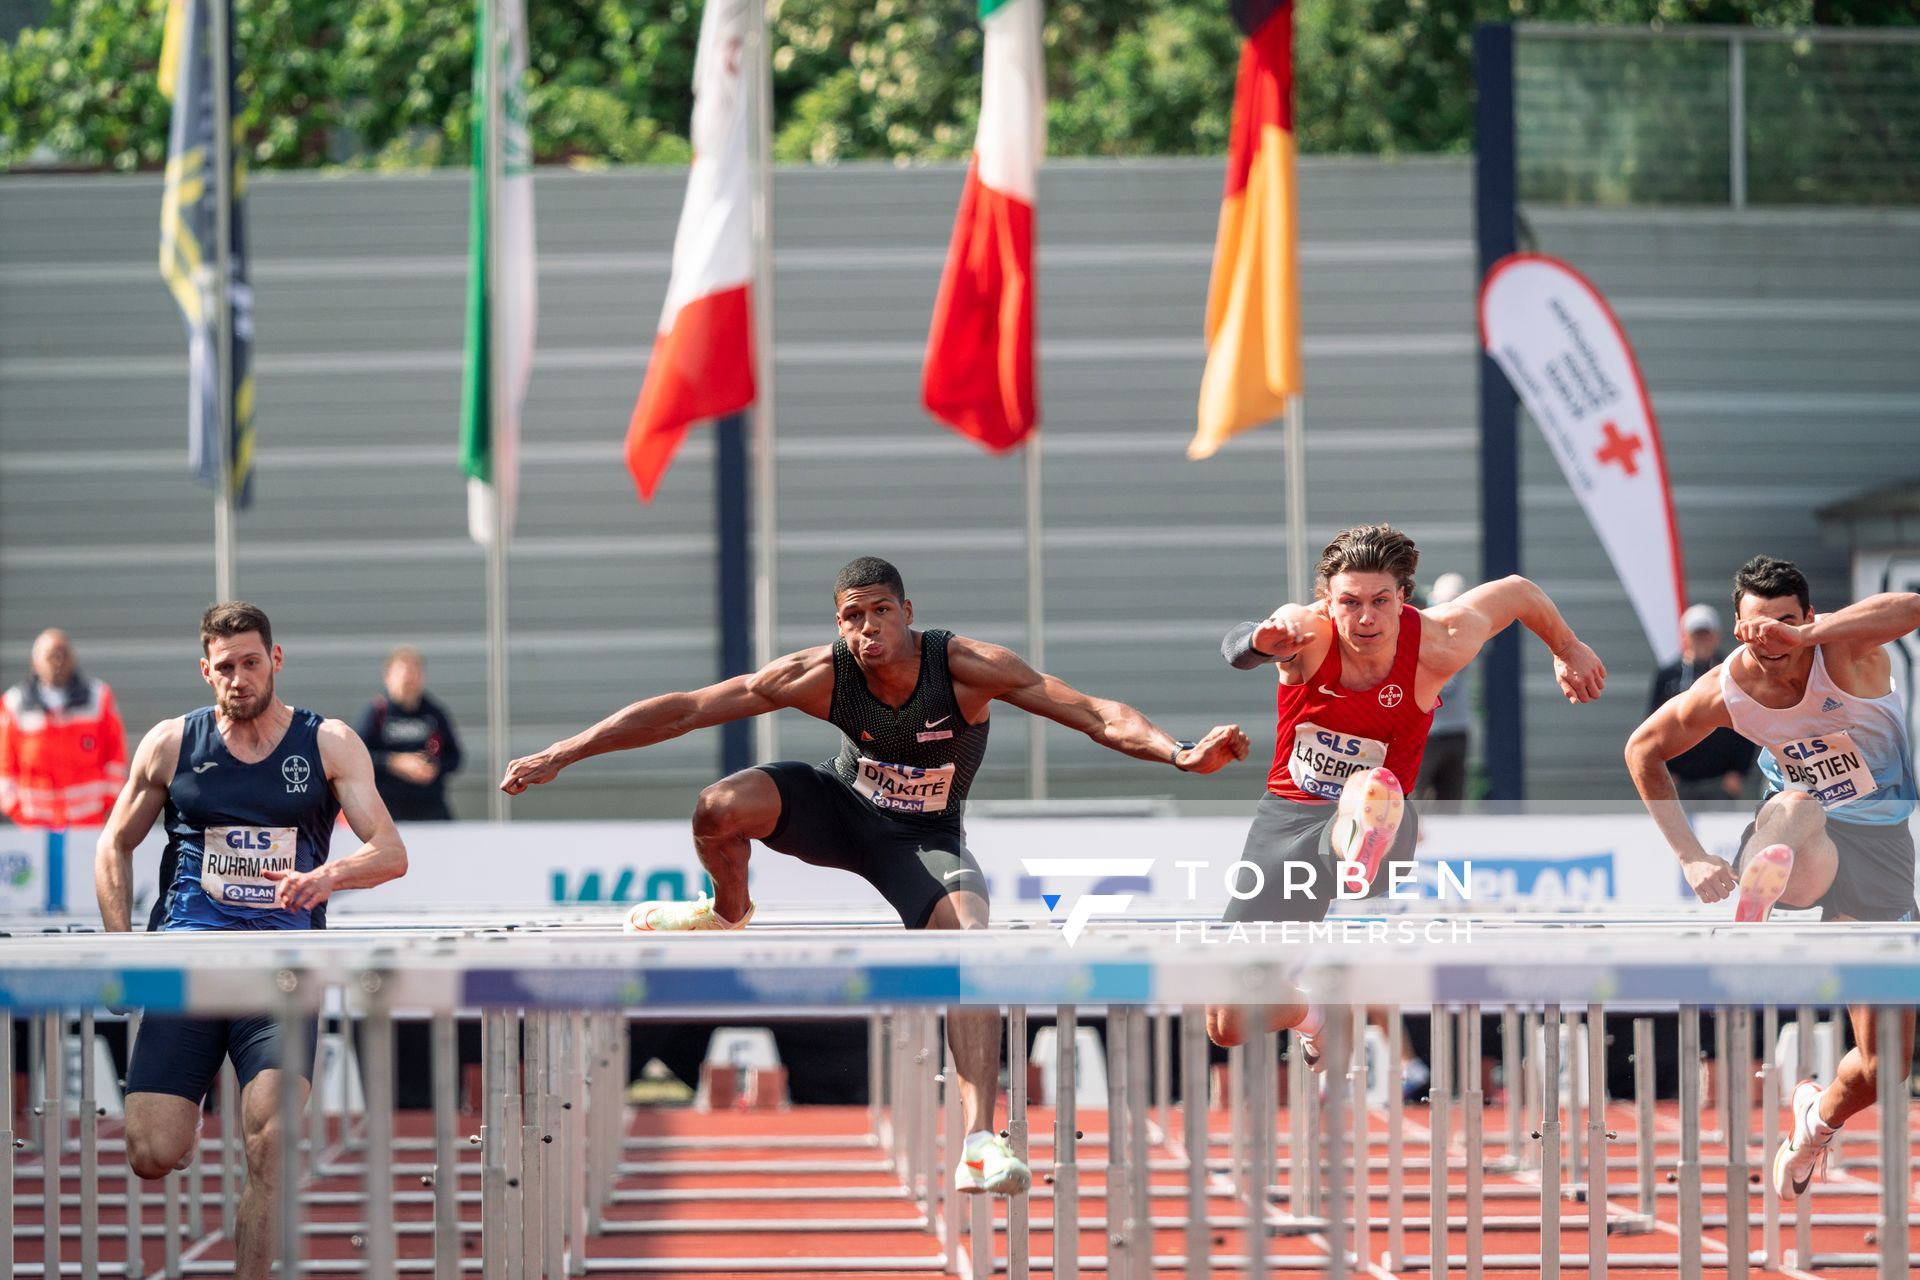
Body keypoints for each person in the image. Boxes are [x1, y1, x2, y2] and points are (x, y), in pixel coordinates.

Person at [499, 556, 1250, 1196]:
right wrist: (567, 751)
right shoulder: (820, 674)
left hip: (921, 841)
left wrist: (1178, 752)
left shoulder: (964, 669)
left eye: (880, 612)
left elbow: (1091, 712)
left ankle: (981, 1141)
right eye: (852, 617)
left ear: (907, 613)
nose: (867, 629)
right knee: (718, 806)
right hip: (839, 811)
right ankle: (729, 910)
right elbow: (687, 711)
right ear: (839, 624)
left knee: (972, 950)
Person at [94, 602, 408, 1279]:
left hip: (282, 966)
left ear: (277, 661)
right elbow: (112, 844)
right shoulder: (172, 744)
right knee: (151, 1153)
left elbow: (389, 851)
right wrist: (120, 949)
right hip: (191, 957)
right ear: (206, 672)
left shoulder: (329, 744)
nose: (239, 678)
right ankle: (191, 1101)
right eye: (225, 668)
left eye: (251, 663)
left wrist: (326, 877)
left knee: (270, 1143)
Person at [1206, 524, 1607, 1051]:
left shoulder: (1441, 641)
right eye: (1349, 603)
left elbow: (1518, 592)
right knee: (1227, 1020)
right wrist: (1258, 643)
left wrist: (1567, 645)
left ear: (1403, 600)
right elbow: (1237, 649)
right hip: (1286, 820)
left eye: (1380, 601)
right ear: (1328, 600)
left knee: (1368, 789)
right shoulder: (1308, 631)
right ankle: (1319, 1017)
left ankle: (1358, 843)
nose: (1365, 617)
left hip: (1383, 817)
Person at [1623, 555, 1917, 1203]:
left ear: (1808, 619)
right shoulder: (1725, 689)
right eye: (1759, 628)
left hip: (1878, 851)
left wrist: (1811, 637)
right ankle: (1761, 888)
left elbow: (1913, 608)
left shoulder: (1841, 650)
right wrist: (1691, 856)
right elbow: (1642, 749)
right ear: (1737, 628)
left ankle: (1814, 1121)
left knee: (1883, 1066)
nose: (1772, 640)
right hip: (1800, 843)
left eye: (1787, 624)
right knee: (1797, 806)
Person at [0, 628, 127, 828]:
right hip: (34, 827)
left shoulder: (98, 698)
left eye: (64, 654)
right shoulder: (14, 704)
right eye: (51, 655)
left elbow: (115, 757)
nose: (58, 661)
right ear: (35, 662)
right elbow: (5, 768)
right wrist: (20, 813)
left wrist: (107, 804)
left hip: (88, 824)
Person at [1644, 603, 1757, 810]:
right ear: (1685, 637)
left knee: (1721, 839)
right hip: (1680, 780)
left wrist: (1739, 772)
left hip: (1721, 779)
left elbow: (1749, 719)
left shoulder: (1733, 670)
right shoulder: (1668, 674)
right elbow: (1652, 723)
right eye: (1697, 635)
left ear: (1717, 636)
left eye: (1706, 634)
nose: (1702, 641)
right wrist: (1665, 771)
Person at [356, 645, 464, 821]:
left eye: (413, 675)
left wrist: (433, 766)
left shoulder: (434, 713)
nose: (408, 682)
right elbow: (358, 756)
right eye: (403, 676)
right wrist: (394, 762)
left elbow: (455, 757)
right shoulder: (377, 713)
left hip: (430, 807)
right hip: (387, 808)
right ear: (388, 678)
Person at [1413, 572, 1472, 804]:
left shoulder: (1468, 632)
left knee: (1452, 799)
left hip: (1457, 728)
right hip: (1429, 731)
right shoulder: (1421, 631)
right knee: (1416, 795)